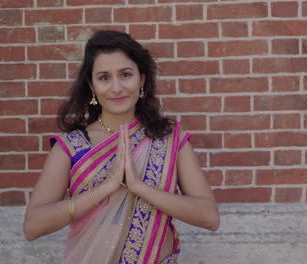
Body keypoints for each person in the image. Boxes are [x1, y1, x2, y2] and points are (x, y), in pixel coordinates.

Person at [23, 30, 220, 264]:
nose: (116, 88)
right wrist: (106, 188)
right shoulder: (71, 147)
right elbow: (33, 226)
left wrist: (139, 187)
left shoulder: (170, 139)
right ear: (91, 84)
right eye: (104, 77)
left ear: (142, 79)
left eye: (126, 74)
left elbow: (210, 218)